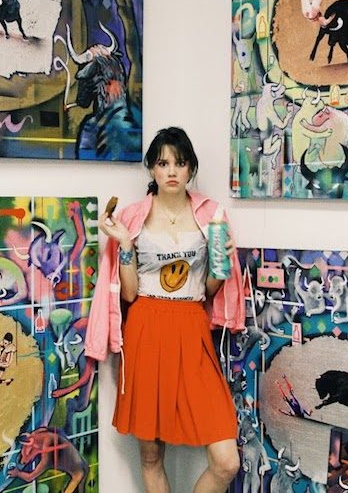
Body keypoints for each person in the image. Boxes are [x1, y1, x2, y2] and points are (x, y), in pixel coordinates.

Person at [85, 127, 246, 493]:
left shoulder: (211, 214)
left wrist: (222, 267)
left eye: (180, 162)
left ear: (191, 169)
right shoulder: (131, 217)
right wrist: (124, 243)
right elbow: (128, 293)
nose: (172, 171)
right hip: (146, 329)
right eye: (163, 163)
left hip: (192, 329)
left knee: (226, 461)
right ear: (152, 169)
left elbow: (209, 289)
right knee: (151, 456)